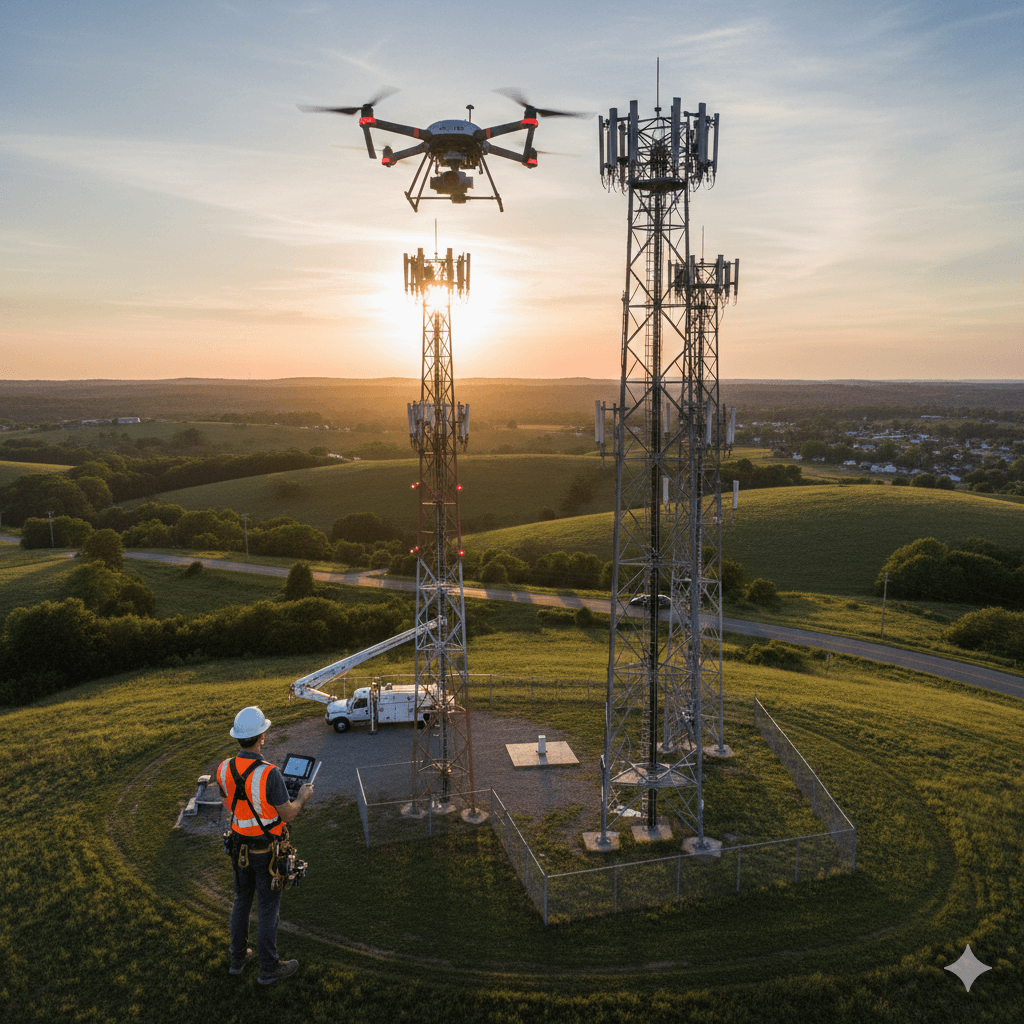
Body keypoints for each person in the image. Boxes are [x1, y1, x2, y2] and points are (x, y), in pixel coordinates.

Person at [217, 706, 314, 984]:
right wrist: (303, 797)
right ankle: (268, 967)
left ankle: (238, 959)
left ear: (238, 737)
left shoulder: (223, 768)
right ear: (262, 736)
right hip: (267, 850)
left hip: (238, 847)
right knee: (268, 908)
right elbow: (288, 814)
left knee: (241, 900)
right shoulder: (269, 773)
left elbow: (231, 807)